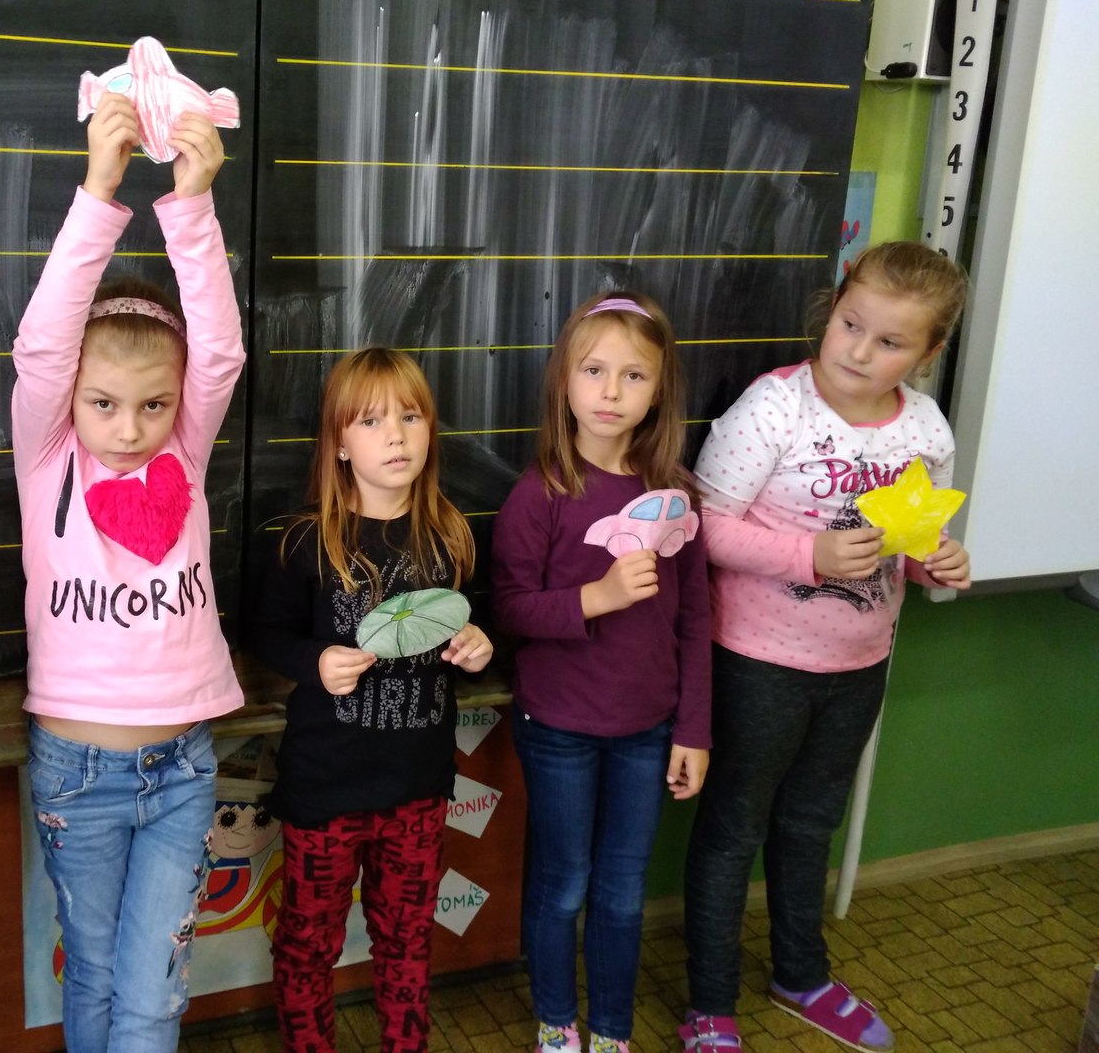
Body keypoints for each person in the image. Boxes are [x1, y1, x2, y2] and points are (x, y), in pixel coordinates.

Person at [679, 242, 972, 1053]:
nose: (859, 351)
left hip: (860, 663)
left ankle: (801, 975)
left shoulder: (925, 428)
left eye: (891, 342)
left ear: (929, 353)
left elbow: (917, 541)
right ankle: (710, 1004)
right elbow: (703, 527)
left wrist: (939, 562)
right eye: (850, 324)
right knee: (735, 829)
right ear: (833, 308)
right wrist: (807, 555)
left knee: (811, 822)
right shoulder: (775, 408)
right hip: (757, 661)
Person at [12, 93, 246, 1052]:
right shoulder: (47, 459)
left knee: (153, 996)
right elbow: (44, 346)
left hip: (183, 767)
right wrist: (100, 191)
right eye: (103, 403)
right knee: (98, 973)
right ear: (71, 398)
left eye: (153, 404)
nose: (129, 427)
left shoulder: (183, 455)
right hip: (76, 774)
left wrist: (192, 206)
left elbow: (218, 353)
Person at [254, 347, 494, 1053]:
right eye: (371, 421)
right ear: (339, 444)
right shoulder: (306, 539)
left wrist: (480, 648)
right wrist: (314, 661)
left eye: (410, 417)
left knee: (406, 939)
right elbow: (266, 633)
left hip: (416, 788)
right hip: (326, 787)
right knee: (309, 942)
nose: (396, 436)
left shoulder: (451, 535)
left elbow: (478, 632)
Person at [492, 292, 712, 1053]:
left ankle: (612, 1032)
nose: (611, 392)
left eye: (633, 376)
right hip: (558, 728)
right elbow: (510, 608)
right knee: (563, 885)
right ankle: (558, 1024)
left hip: (647, 730)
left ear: (658, 391)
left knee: (621, 892)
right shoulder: (540, 495)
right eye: (594, 371)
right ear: (565, 380)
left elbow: (696, 621)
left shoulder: (675, 500)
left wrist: (693, 730)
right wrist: (599, 596)